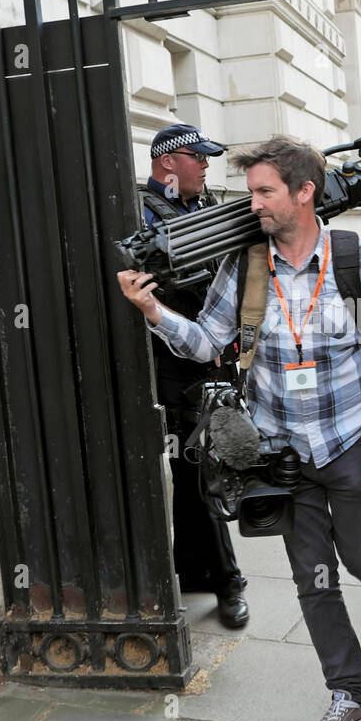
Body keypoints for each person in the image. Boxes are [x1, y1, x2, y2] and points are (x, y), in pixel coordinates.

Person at [118, 136, 361, 721]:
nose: (251, 204)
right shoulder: (247, 266)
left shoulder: (352, 259)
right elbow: (206, 344)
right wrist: (153, 312)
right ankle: (347, 694)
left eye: (264, 191)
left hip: (352, 442)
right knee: (315, 578)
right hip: (282, 457)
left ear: (304, 193)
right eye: (250, 190)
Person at [141, 123, 249, 630]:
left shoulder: (204, 209)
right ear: (168, 161)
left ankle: (211, 575)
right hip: (170, 362)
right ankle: (224, 581)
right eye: (197, 157)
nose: (206, 165)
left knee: (207, 466)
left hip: (212, 356)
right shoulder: (142, 212)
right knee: (197, 470)